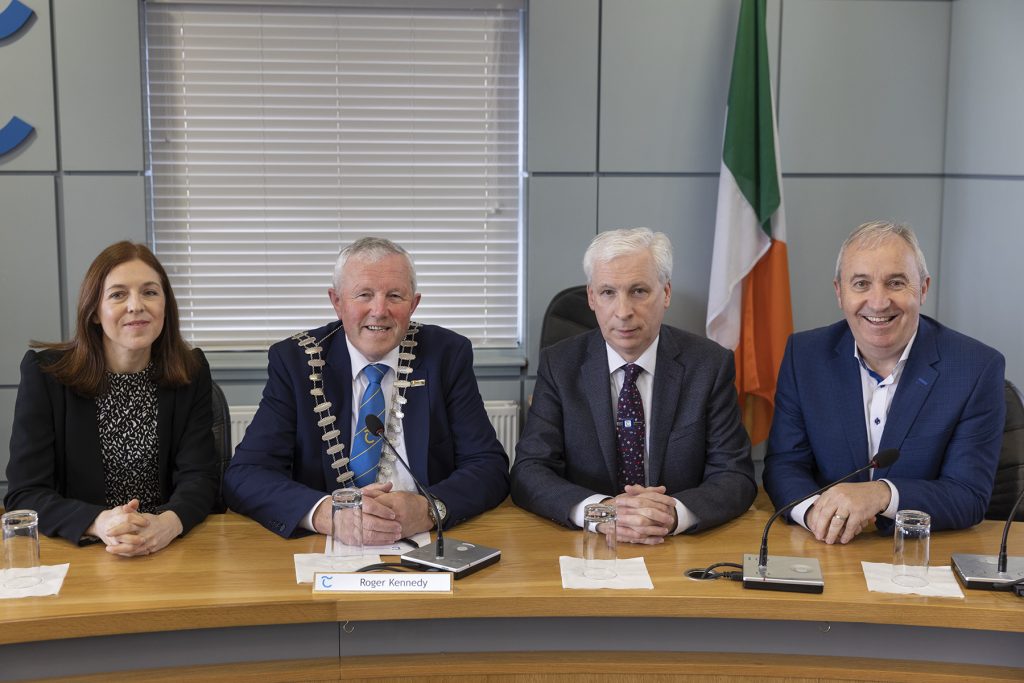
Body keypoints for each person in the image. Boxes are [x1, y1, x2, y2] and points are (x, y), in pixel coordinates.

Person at [223, 237, 509, 542]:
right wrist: (326, 514)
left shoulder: (447, 355)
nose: (379, 310)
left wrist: (428, 508)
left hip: (426, 542)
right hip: (326, 546)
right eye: (364, 295)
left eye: (395, 296)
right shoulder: (296, 362)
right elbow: (246, 474)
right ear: (337, 302)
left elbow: (489, 466)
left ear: (414, 304)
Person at [763, 221, 1005, 544]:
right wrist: (815, 514)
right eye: (861, 284)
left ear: (923, 289)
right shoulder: (804, 357)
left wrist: (881, 495)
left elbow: (968, 495)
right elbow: (784, 465)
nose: (878, 302)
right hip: (827, 550)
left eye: (895, 283)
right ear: (839, 292)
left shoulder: (975, 368)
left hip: (923, 561)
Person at [511, 228, 756, 543]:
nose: (623, 311)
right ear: (591, 297)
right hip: (588, 544)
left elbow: (735, 475)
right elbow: (529, 471)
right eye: (608, 292)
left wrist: (673, 514)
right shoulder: (560, 365)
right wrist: (603, 513)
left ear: (665, 293)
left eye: (639, 291)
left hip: (676, 545)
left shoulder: (709, 365)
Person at [5, 242, 218, 556]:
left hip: (168, 546)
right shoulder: (46, 375)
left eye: (150, 292)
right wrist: (99, 522)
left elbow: (201, 477)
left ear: (165, 306)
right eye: (118, 294)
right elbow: (26, 493)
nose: (136, 305)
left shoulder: (192, 370)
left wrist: (167, 524)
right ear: (94, 311)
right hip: (83, 549)